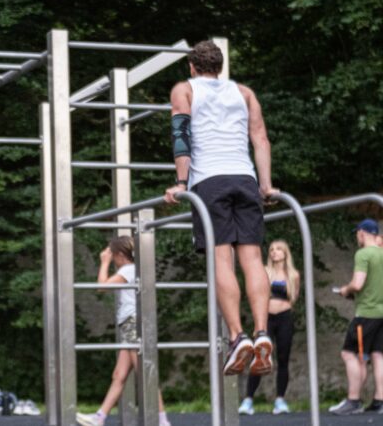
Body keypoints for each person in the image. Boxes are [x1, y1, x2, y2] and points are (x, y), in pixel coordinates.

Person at [164, 40, 278, 377]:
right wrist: (265, 185)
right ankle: (261, 331)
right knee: (253, 259)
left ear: (192, 67)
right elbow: (260, 139)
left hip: (209, 180)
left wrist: (182, 185)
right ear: (221, 66)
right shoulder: (243, 92)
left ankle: (237, 336)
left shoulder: (183, 90)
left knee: (221, 258)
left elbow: (181, 137)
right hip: (244, 178)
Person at [76, 236, 170, 426]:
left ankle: (162, 421)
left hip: (132, 323)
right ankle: (99, 417)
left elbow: (102, 287)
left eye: (112, 254)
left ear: (119, 255)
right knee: (119, 375)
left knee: (145, 373)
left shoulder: (128, 269)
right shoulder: (132, 269)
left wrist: (104, 262)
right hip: (130, 324)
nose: (111, 258)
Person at [239, 240, 300, 415]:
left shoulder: (294, 275)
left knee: (283, 359)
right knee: (259, 357)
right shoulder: (265, 271)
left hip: (285, 318)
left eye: (278, 249)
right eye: (272, 249)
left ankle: (280, 400)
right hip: (266, 318)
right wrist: (260, 324)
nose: (274, 252)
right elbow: (256, 295)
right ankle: (248, 401)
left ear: (285, 253)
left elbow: (293, 298)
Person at [329, 219, 383, 415]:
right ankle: (379, 401)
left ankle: (353, 400)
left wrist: (346, 289)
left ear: (362, 233)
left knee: (350, 354)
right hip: (381, 314)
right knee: (378, 355)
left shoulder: (363, 254)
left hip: (366, 314)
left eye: (357, 233)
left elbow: (358, 284)